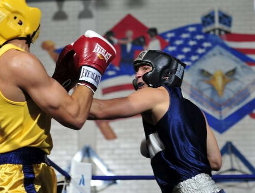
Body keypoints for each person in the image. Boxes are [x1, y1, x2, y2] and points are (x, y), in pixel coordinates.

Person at [0, 0, 116, 192]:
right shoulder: (19, 61)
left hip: (25, 170)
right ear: (14, 17)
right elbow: (75, 116)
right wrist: (92, 68)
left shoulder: (1, 59)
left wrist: (63, 79)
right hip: (22, 174)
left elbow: (32, 108)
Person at [89, 50, 225, 193]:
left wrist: (82, 83)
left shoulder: (156, 94)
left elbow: (99, 110)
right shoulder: (197, 111)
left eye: (145, 68)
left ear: (165, 73)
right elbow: (215, 161)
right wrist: (167, 143)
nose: (138, 74)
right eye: (137, 70)